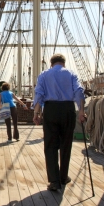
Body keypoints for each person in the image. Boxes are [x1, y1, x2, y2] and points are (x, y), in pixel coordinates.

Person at [33, 53, 85, 191]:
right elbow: (79, 92)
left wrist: (36, 113)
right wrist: (81, 111)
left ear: (51, 63)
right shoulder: (71, 74)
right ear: (64, 63)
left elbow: (39, 94)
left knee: (50, 145)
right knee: (66, 144)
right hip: (68, 109)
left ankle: (54, 181)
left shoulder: (44, 75)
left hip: (50, 109)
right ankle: (63, 177)